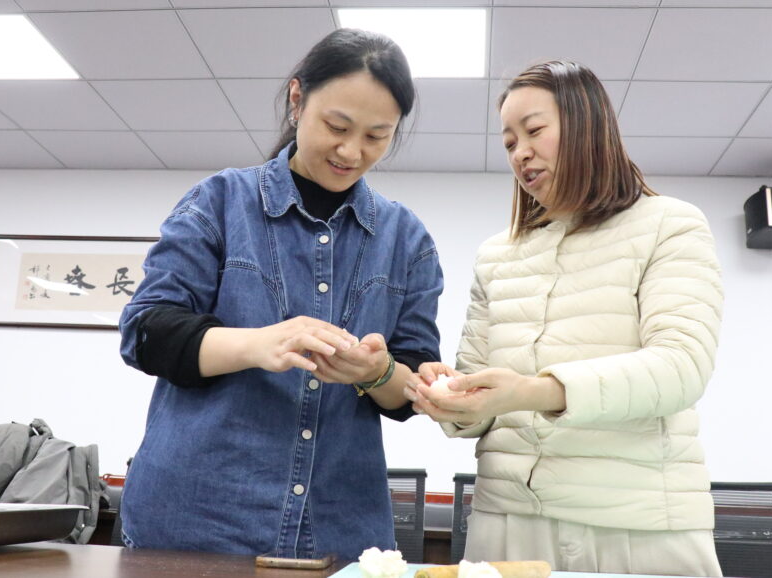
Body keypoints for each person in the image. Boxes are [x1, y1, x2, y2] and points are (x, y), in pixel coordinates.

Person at [117, 28, 442, 561]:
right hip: (197, 518)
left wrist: (377, 374)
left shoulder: (407, 241)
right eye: (336, 126)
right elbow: (146, 333)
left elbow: (411, 384)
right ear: (297, 100)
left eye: (376, 136)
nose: (351, 150)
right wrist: (258, 344)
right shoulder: (219, 202)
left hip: (340, 523)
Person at [405, 60, 724, 577]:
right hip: (507, 522)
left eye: (534, 131)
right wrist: (449, 398)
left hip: (636, 523)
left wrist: (531, 391)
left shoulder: (670, 225)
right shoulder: (497, 255)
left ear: (587, 126)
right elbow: (479, 401)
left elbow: (680, 368)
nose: (520, 152)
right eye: (509, 142)